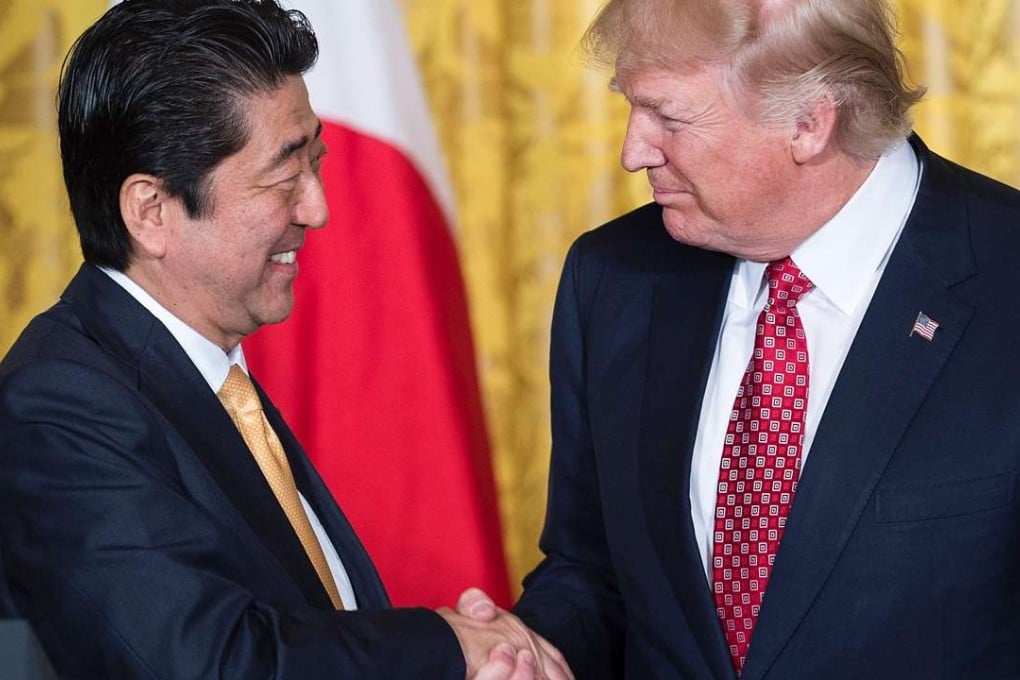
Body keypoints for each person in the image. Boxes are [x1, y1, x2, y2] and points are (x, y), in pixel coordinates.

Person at [0, 1, 571, 679]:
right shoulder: (58, 404)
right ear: (151, 211)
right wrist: (450, 647)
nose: (319, 208)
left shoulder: (211, 380)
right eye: (283, 176)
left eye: (317, 163)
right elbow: (206, 662)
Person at [479, 0, 1020, 677]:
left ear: (809, 123)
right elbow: (595, 575)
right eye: (630, 106)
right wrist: (527, 654)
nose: (631, 151)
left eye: (668, 116)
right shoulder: (614, 278)